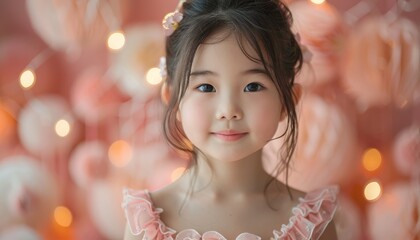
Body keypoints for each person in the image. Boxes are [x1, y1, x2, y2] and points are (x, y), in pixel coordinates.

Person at [122, 0, 339, 239]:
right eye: (205, 87)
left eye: (253, 86)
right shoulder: (147, 225)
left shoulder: (312, 224)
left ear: (288, 99)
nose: (228, 110)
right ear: (171, 97)